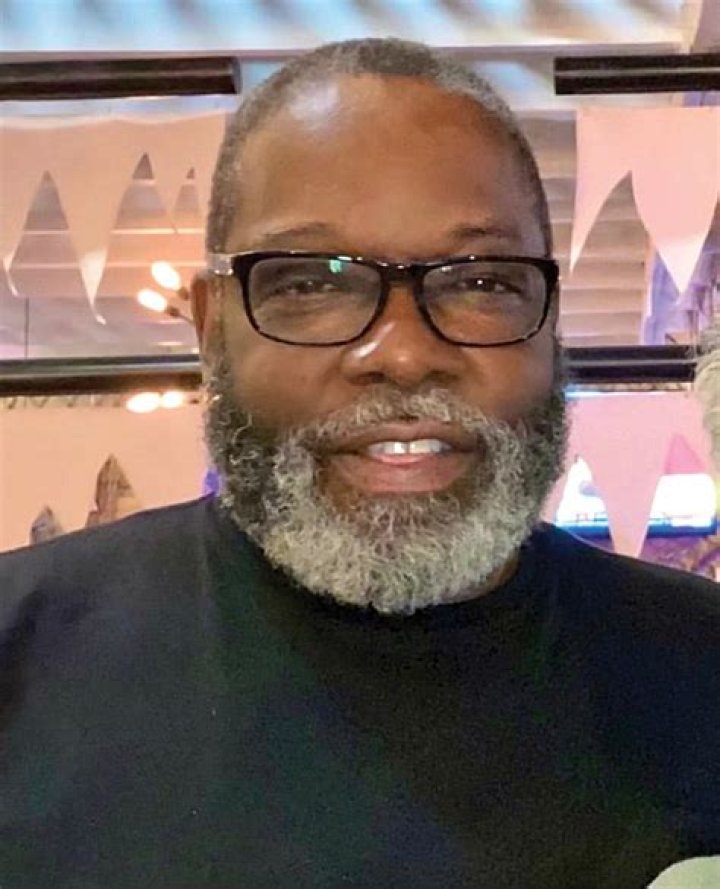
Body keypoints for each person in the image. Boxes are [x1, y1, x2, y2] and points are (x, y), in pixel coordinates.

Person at [1, 37, 718, 889]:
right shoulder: (22, 656)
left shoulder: (698, 668)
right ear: (209, 328)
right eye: (310, 282)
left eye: (480, 281)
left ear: (549, 318)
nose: (404, 353)